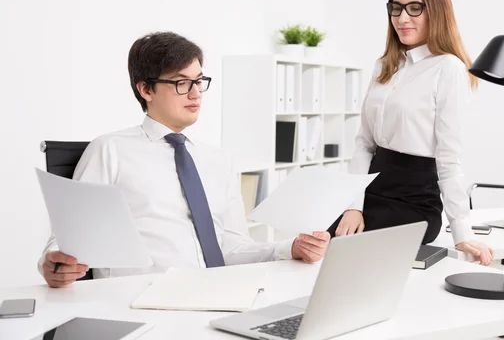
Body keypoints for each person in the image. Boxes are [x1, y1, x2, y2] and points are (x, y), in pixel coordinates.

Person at [39, 32, 330, 288]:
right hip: (142, 301)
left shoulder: (219, 160)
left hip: (219, 295)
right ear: (146, 89)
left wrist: (289, 247)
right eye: (181, 82)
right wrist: (53, 264)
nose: (195, 93)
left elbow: (231, 247)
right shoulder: (110, 150)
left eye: (199, 81)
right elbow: (69, 241)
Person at [327, 0, 493, 265]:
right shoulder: (384, 65)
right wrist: (354, 205)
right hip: (370, 190)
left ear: (437, 11)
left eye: (415, 8)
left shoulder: (448, 69)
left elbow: (448, 158)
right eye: (396, 8)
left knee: (342, 254)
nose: (403, 18)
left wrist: (462, 233)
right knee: (317, 242)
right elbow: (364, 144)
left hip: (414, 201)